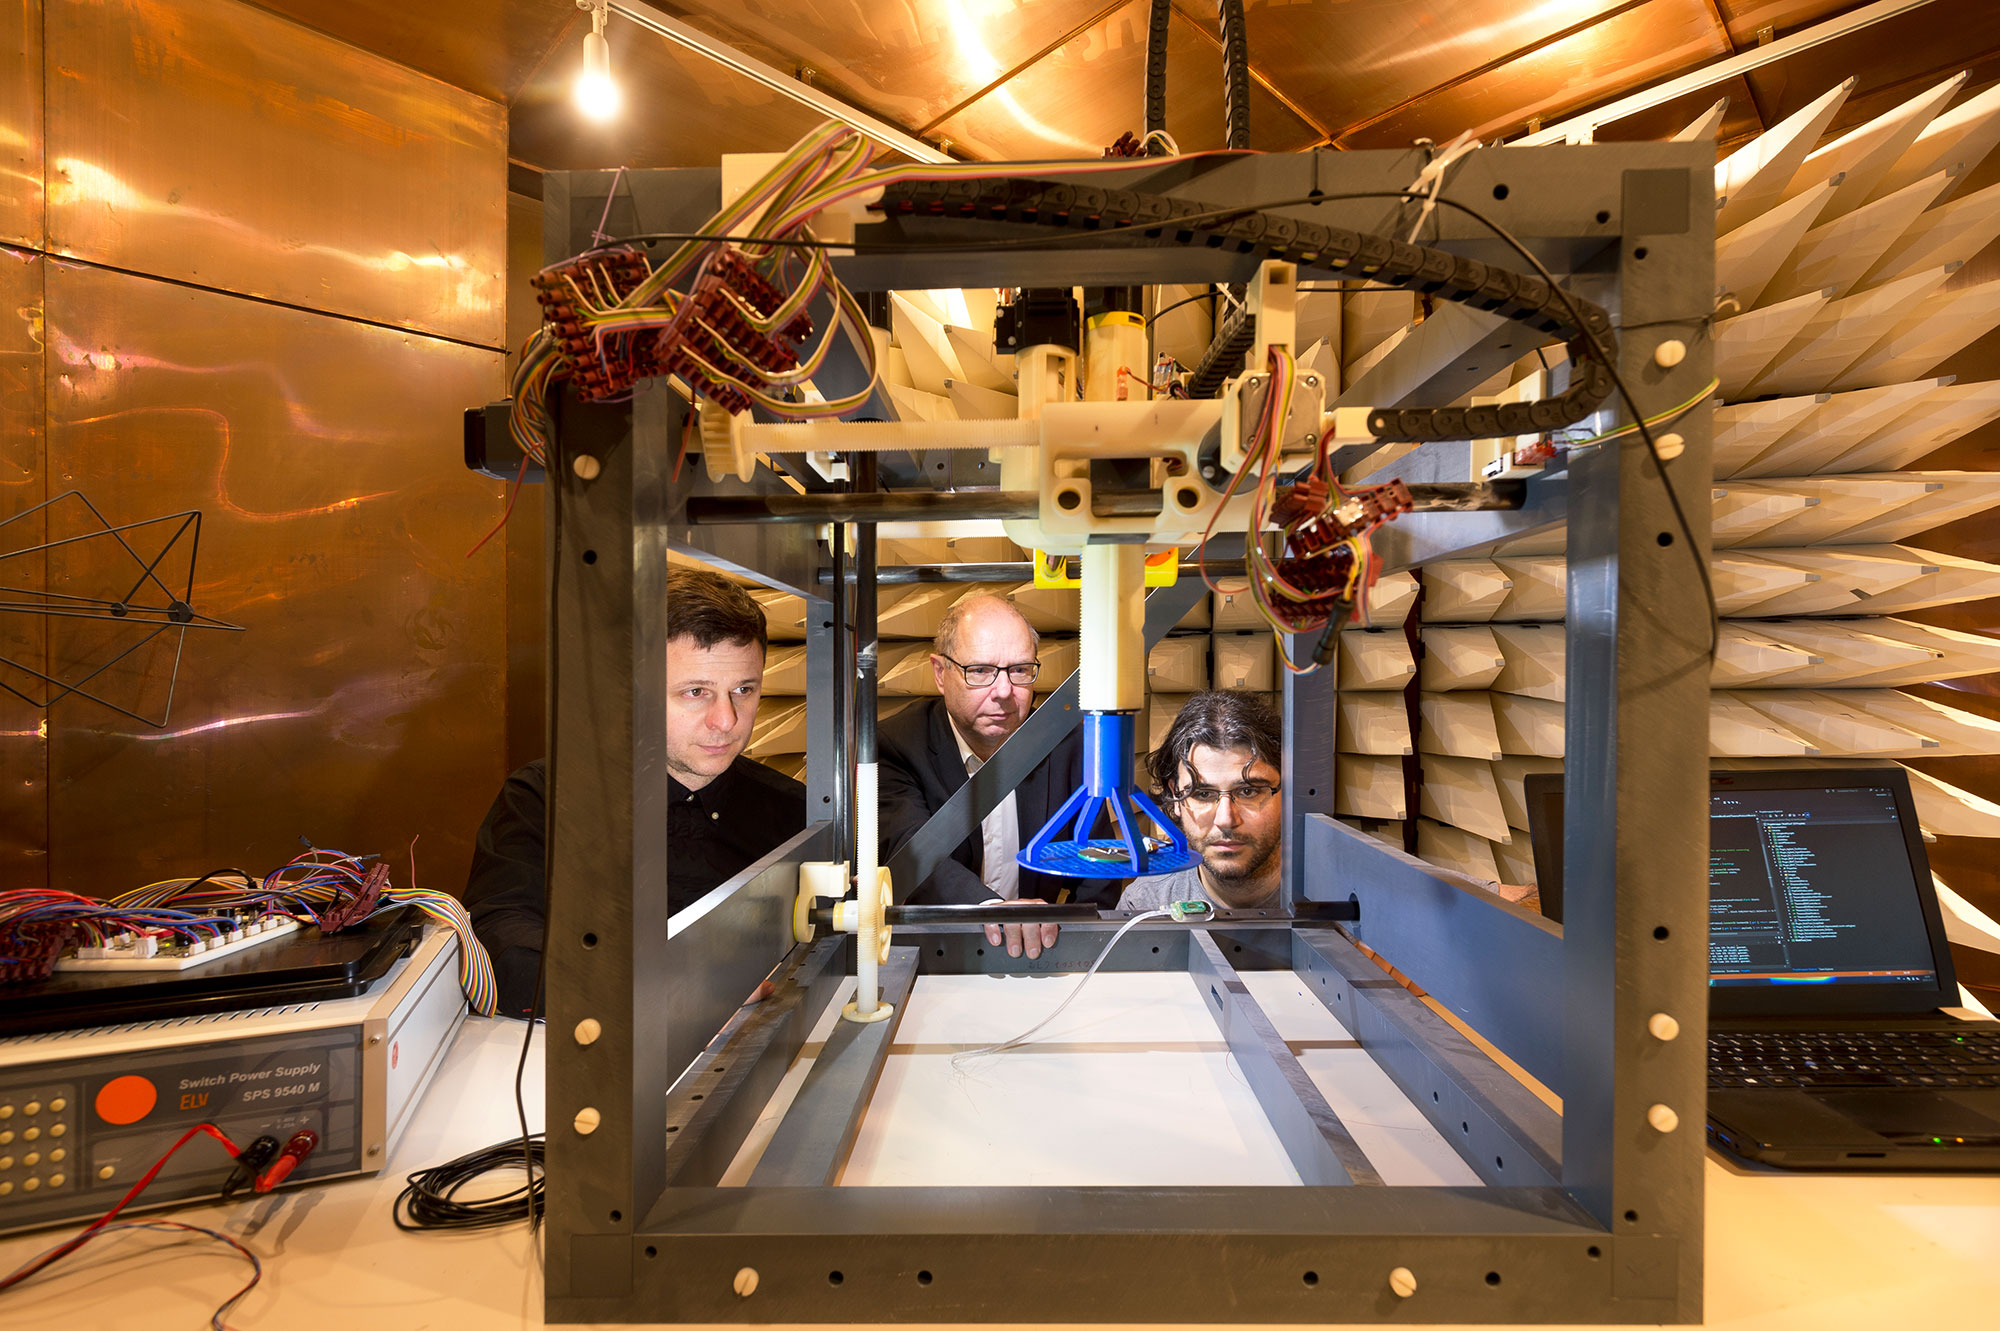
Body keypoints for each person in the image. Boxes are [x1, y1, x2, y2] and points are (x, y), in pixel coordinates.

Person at [466, 568, 806, 1014]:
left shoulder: (791, 810)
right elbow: (501, 945)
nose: (727, 720)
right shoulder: (544, 799)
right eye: (696, 692)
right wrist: (670, 995)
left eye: (744, 689)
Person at [878, 592, 1114, 961]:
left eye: (1019, 670)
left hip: (1044, 954)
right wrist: (993, 910)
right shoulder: (896, 745)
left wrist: (1078, 944)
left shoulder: (1068, 743)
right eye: (981, 671)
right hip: (941, 955)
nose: (1004, 692)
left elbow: (1098, 864)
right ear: (941, 673)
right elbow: (913, 853)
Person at [1120, 690, 1285, 912]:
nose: (1226, 820)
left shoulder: (1341, 902)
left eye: (1248, 791)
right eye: (1203, 794)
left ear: (1289, 794)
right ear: (1176, 797)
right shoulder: (1144, 904)